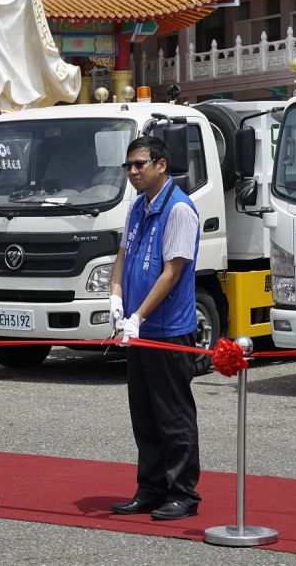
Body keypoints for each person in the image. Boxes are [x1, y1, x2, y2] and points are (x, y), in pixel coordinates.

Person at [107, 136, 201, 521]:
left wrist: (139, 315)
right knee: (143, 414)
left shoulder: (179, 209)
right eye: (128, 166)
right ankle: (150, 487)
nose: (132, 172)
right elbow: (123, 256)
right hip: (138, 329)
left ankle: (183, 492)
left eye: (139, 164)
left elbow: (172, 272)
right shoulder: (137, 207)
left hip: (166, 329)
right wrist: (115, 296)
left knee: (173, 416)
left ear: (161, 165)